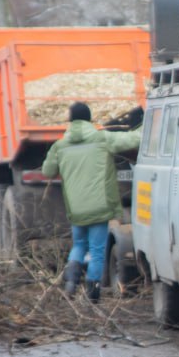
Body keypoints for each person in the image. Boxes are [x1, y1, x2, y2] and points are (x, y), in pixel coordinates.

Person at [42, 102, 143, 302]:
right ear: (89, 119)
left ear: (70, 120)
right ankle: (93, 293)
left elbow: (47, 171)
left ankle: (71, 283)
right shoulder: (102, 138)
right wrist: (146, 125)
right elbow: (134, 139)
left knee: (79, 244)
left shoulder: (60, 145)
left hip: (76, 207)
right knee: (97, 250)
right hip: (99, 205)